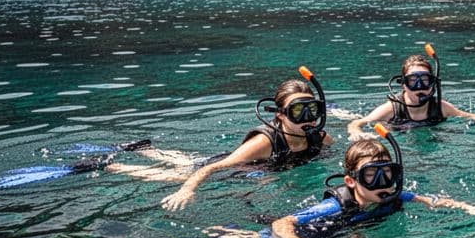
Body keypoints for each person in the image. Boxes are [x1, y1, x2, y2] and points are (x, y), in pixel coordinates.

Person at [213, 127, 475, 238]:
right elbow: (282, 222)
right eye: (371, 177)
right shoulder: (334, 207)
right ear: (351, 181)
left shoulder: (393, 195)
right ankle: (227, 236)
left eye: (389, 174)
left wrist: (468, 208)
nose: (383, 183)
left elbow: (432, 200)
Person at [113, 69, 334, 211]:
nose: (308, 119)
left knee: (188, 161)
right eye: (298, 112)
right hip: (234, 166)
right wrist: (187, 190)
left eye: (312, 110)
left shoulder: (322, 139)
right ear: (280, 114)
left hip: (261, 168)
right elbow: (213, 167)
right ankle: (113, 166)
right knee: (176, 176)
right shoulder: (263, 143)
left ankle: (144, 148)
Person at [347, 44, 475, 138]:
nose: (420, 87)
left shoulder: (440, 107)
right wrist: (357, 132)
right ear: (403, 85)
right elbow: (358, 122)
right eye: (413, 81)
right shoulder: (392, 108)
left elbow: (472, 116)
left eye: (425, 81)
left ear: (432, 83)